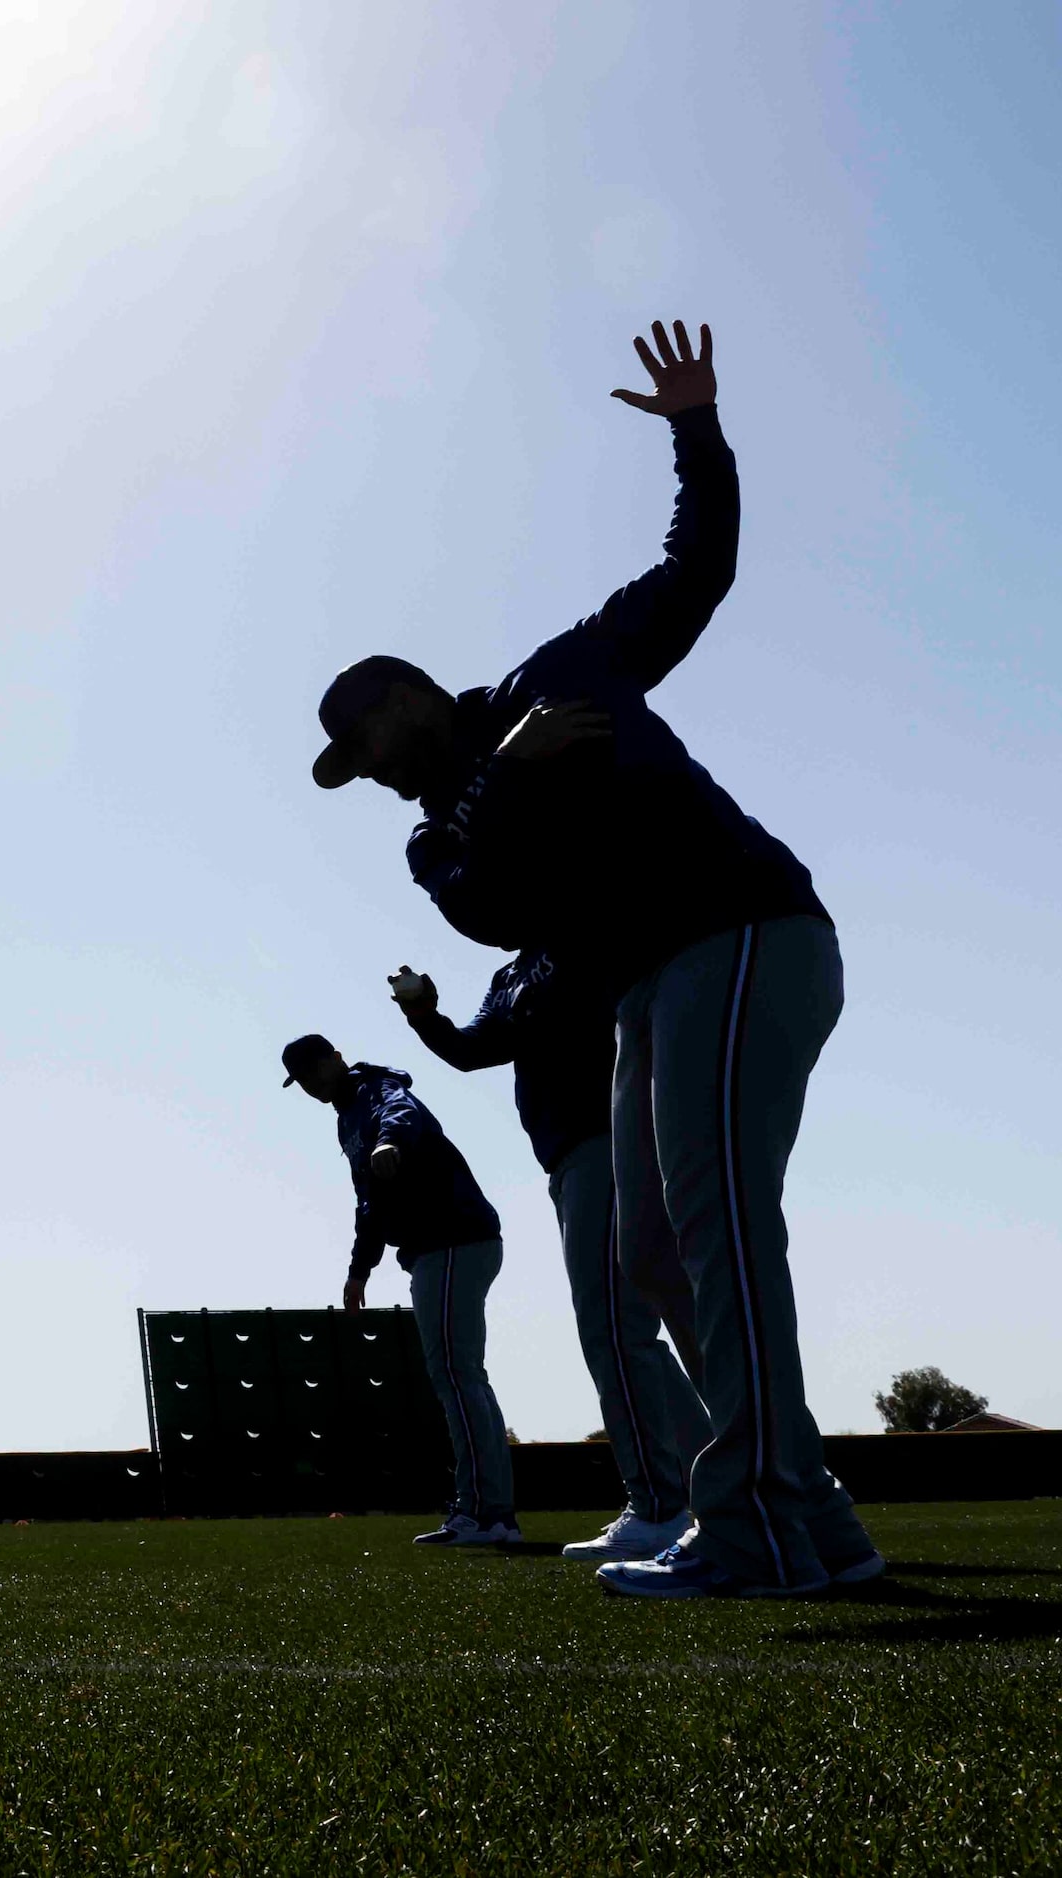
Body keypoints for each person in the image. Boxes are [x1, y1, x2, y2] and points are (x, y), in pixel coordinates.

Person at [308, 321, 879, 1598]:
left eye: (365, 743)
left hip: (740, 934)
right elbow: (488, 918)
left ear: (403, 696)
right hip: (645, 991)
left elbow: (695, 570)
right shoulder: (433, 837)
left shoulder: (559, 670)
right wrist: (506, 782)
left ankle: (761, 1524)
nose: (371, 774)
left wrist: (693, 427)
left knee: (717, 1228)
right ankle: (813, 1519)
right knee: (656, 1257)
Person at [389, 961, 709, 1563]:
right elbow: (472, 1049)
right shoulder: (512, 973)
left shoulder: (580, 937)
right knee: (645, 1331)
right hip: (572, 1155)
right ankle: (733, 1483)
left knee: (618, 1328)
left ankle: (663, 1507)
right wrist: (424, 1014)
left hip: (609, 1138)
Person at [281, 1035, 517, 1546]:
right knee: (463, 1375)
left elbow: (403, 1112)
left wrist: (390, 1141)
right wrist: (360, 1268)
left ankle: (485, 1514)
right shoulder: (347, 1116)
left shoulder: (374, 1089)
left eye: (311, 1071)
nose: (308, 1084)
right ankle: (491, 1511)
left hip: (452, 1241)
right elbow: (371, 1202)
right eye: (299, 1080)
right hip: (442, 1247)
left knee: (456, 1374)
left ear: (335, 1058)